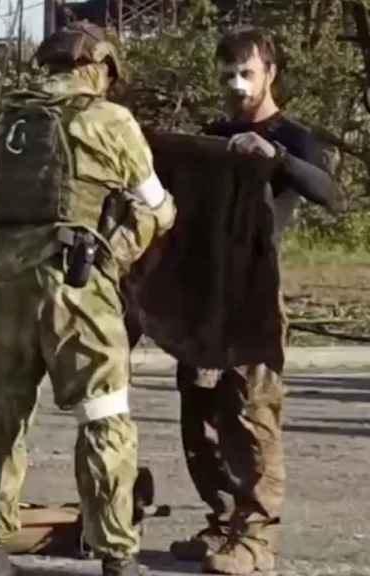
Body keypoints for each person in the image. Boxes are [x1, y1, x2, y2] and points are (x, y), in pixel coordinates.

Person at [0, 22, 176, 576]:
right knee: (103, 416)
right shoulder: (110, 121)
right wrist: (118, 252)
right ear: (102, 66)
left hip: (6, 287)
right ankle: (116, 555)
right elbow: (158, 206)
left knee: (1, 417)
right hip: (76, 288)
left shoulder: (11, 120)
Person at [169, 28, 336, 575]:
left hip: (255, 297)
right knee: (201, 415)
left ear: (270, 73)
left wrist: (277, 156)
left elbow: (330, 193)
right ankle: (223, 521)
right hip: (204, 292)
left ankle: (257, 535)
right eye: (226, 75)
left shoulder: (293, 137)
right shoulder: (214, 135)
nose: (235, 85)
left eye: (246, 73)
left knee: (252, 414)